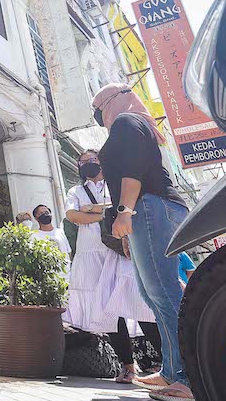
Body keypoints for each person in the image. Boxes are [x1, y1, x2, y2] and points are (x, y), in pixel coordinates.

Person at [94, 83, 194, 401]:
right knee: (154, 297)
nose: (99, 115)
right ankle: (172, 369)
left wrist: (125, 211)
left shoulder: (127, 120)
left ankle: (190, 377)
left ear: (118, 99)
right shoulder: (133, 122)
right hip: (148, 211)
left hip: (150, 206)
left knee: (163, 293)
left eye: (100, 107)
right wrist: (128, 229)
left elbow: (133, 168)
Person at [63, 149, 161, 384]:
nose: (88, 164)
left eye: (92, 160)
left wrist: (91, 210)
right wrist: (105, 213)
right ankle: (128, 367)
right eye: (83, 162)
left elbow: (125, 206)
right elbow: (72, 216)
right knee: (109, 311)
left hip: (120, 248)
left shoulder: (114, 183)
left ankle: (169, 362)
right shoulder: (76, 190)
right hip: (91, 252)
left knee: (140, 303)